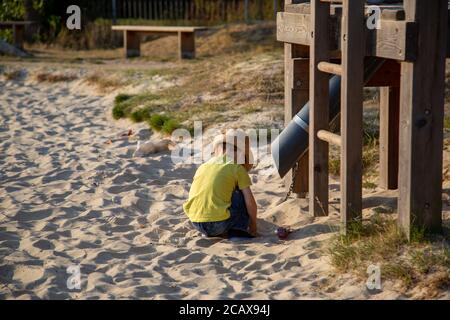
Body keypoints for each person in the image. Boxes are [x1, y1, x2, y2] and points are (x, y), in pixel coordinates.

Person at [183, 130, 258, 238]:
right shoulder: (237, 168)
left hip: (196, 222)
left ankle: (218, 229)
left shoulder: (203, 166)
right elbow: (250, 203)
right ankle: (238, 232)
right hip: (219, 223)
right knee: (240, 193)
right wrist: (253, 225)